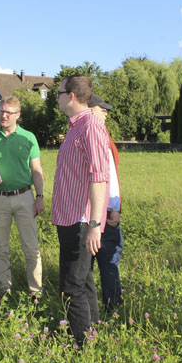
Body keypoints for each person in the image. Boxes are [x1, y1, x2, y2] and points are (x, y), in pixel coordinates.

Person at [52, 75, 109, 347]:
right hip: (69, 219)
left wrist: (94, 224)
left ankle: (81, 347)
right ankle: (92, 338)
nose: (57, 97)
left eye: (59, 93)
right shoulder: (75, 127)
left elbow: (99, 177)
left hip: (82, 221)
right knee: (83, 282)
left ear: (72, 95)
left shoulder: (91, 127)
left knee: (71, 288)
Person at [0, 96, 44, 295]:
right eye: (1, 111)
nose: (3, 115)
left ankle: (35, 291)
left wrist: (39, 197)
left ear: (18, 115)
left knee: (31, 248)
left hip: (25, 197)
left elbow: (36, 169)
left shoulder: (28, 137)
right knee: (1, 248)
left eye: (8, 112)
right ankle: (4, 291)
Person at [88, 94, 123, 312]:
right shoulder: (99, 137)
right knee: (107, 260)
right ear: (91, 110)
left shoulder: (101, 135)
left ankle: (107, 306)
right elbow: (105, 176)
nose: (106, 113)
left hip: (100, 210)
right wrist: (113, 208)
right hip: (102, 212)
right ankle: (109, 306)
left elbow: (110, 175)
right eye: (102, 109)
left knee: (103, 261)